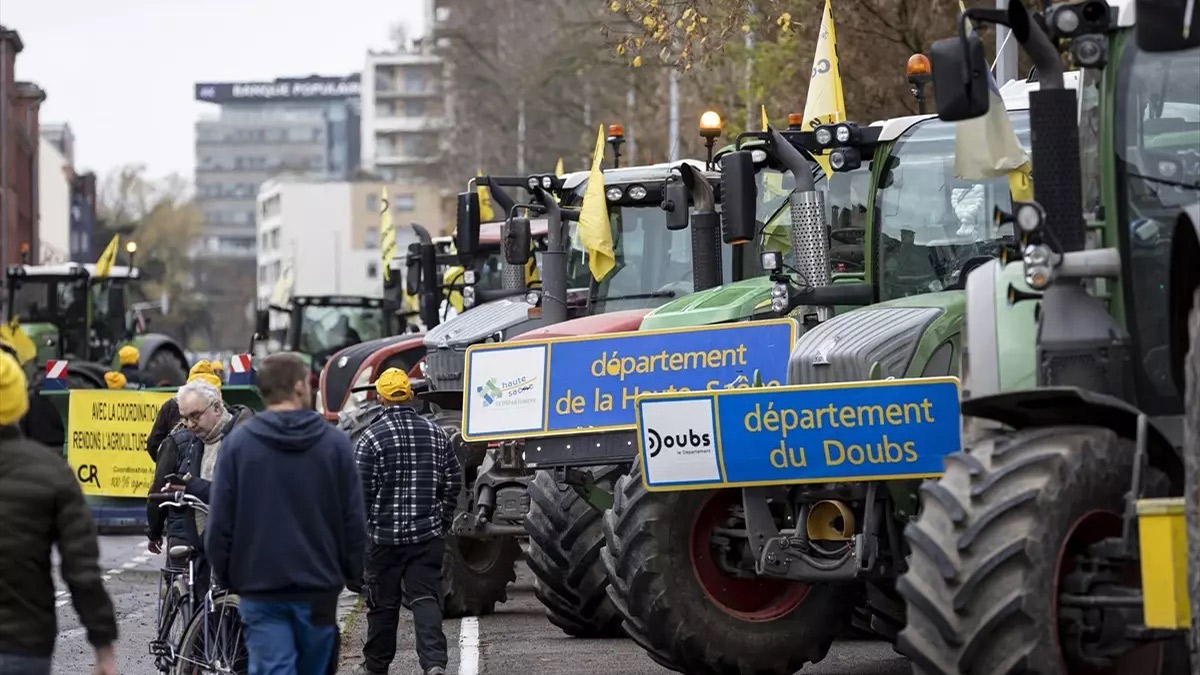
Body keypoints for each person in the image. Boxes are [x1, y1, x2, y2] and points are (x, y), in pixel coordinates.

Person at [206, 352, 365, 675]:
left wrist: (229, 576)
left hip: (261, 587)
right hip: (318, 588)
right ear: (298, 387)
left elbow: (220, 523)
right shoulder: (334, 444)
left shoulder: (239, 445)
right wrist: (350, 572)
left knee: (273, 668)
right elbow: (353, 522)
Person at [0, 352, 118, 675]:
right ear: (21, 403)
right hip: (24, 644)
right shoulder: (52, 472)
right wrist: (103, 645)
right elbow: (81, 568)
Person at [350, 368, 462, 675]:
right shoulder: (436, 434)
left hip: (383, 541)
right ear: (411, 396)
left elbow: (360, 495)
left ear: (381, 398)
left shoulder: (370, 438)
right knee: (426, 599)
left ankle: (375, 667)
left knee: (382, 606)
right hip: (426, 537)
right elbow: (453, 481)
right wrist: (442, 520)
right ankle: (434, 663)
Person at [145, 377, 253, 601]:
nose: (190, 424)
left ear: (217, 407)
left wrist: (191, 486)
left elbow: (238, 494)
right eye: (185, 418)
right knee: (201, 608)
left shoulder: (244, 440)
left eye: (195, 416)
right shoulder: (196, 441)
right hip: (203, 546)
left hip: (236, 547)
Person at [146, 361, 216, 462]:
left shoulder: (171, 406)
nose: (191, 424)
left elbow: (153, 444)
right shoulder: (221, 407)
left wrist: (169, 463)